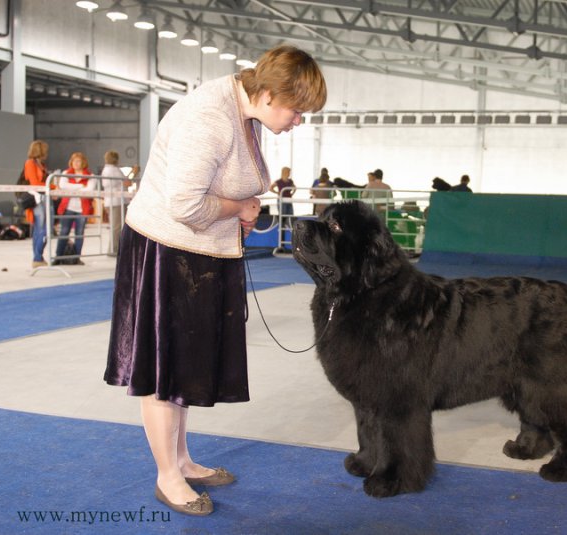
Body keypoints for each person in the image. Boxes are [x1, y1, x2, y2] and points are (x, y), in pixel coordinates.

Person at [103, 45, 326, 517]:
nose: (298, 121)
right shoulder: (208, 116)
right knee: (165, 371)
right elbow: (184, 205)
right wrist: (238, 210)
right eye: (297, 110)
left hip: (196, 251)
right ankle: (167, 476)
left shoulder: (242, 110)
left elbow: (218, 189)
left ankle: (181, 460)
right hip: (167, 252)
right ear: (267, 94)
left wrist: (238, 212)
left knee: (184, 367)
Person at [54, 152, 96, 266]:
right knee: (64, 232)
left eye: (78, 161)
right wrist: (81, 186)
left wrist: (73, 188)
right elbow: (63, 185)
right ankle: (57, 257)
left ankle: (77, 258)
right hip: (68, 208)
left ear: (83, 162)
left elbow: (90, 189)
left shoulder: (90, 175)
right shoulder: (66, 173)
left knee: (79, 234)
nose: (76, 163)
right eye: (74, 161)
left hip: (82, 210)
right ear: (71, 162)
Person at [100, 150, 132, 256]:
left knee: (115, 226)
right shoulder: (114, 170)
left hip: (111, 201)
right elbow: (127, 182)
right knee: (117, 226)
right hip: (117, 202)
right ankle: (113, 249)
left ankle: (114, 248)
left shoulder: (106, 170)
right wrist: (132, 174)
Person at [24, 140, 49, 268]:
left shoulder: (41, 164)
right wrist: (52, 186)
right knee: (43, 230)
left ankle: (38, 257)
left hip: (44, 198)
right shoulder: (30, 163)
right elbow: (34, 182)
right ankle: (37, 257)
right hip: (37, 200)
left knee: (39, 230)